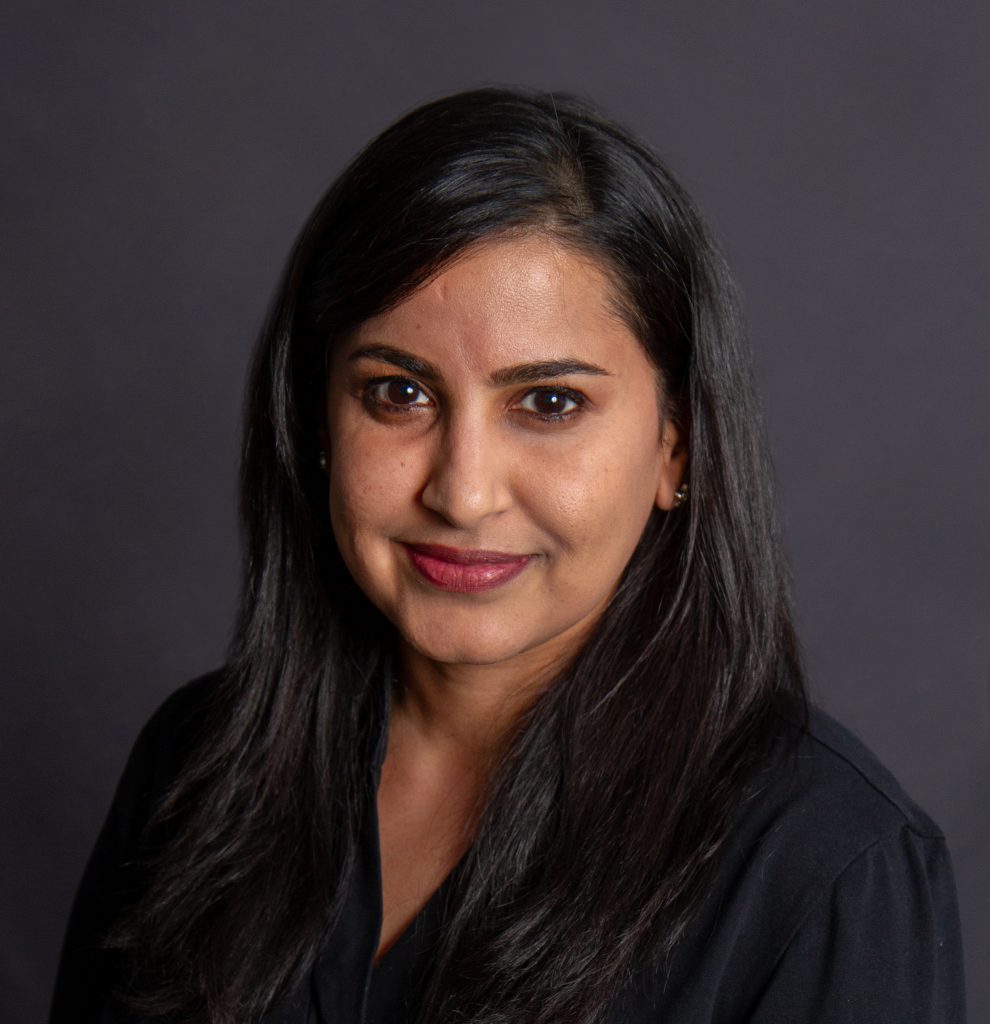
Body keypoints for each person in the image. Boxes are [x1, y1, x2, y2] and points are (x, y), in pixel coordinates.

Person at [50, 86, 966, 1024]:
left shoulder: (830, 871)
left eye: (550, 404)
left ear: (676, 447)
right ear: (318, 422)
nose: (463, 491)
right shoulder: (195, 766)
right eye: (398, 393)